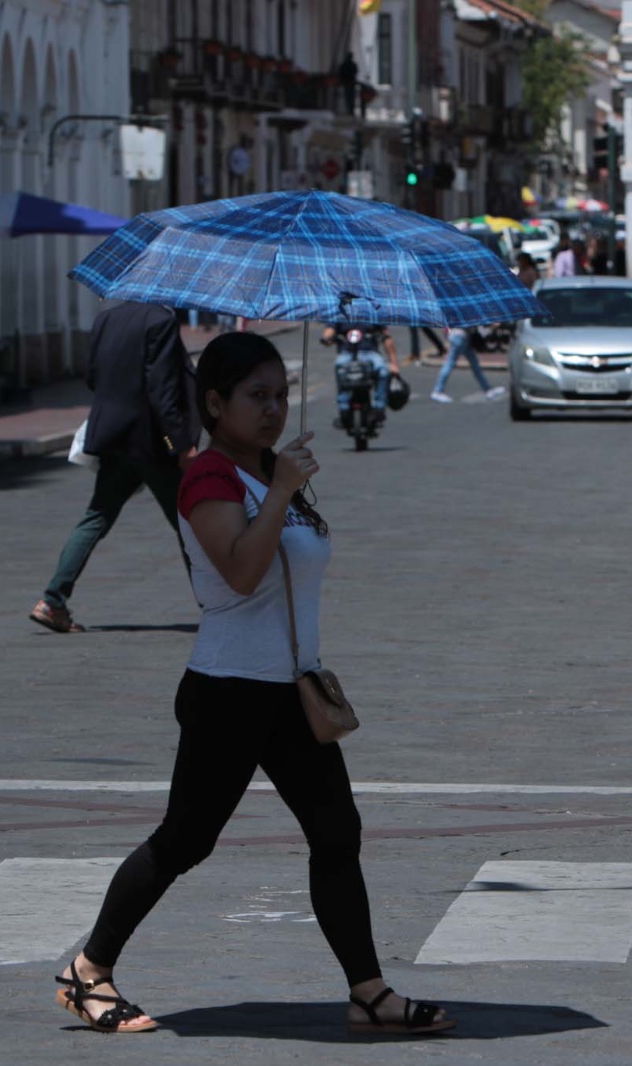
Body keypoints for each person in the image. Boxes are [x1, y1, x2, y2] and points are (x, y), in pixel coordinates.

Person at [53, 332, 454, 1038]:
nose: (273, 409)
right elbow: (240, 571)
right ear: (215, 403)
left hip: (288, 691)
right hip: (229, 691)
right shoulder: (208, 476)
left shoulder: (273, 471)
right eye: (256, 397)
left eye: (281, 395)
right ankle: (88, 968)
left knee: (337, 832)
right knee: (185, 841)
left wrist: (283, 485)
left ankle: (368, 990)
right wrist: (284, 492)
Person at [29, 304, 201, 634]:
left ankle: (52, 600)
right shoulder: (160, 319)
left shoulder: (107, 317)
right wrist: (180, 444)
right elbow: (161, 387)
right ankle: (219, 608)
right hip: (150, 440)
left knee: (96, 516)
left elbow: (92, 375)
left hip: (113, 434)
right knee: (188, 522)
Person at [321, 323, 400, 425]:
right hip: (347, 353)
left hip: (370, 353)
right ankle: (343, 409)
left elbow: (387, 338)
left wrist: (394, 364)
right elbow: (330, 330)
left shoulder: (373, 313)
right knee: (340, 368)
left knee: (383, 371)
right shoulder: (341, 313)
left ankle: (379, 407)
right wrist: (326, 338)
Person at [430, 325, 506, 403]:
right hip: (460, 337)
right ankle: (438, 391)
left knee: (474, 364)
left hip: (460, 337)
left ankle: (487, 389)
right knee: (450, 363)